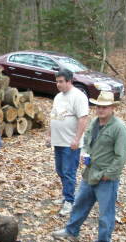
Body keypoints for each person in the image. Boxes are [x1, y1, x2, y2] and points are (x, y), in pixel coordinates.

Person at [51, 91, 126, 242]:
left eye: (104, 107)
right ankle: (71, 231)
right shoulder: (94, 123)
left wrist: (109, 174)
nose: (100, 110)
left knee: (105, 212)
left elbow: (121, 156)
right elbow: (86, 142)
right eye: (99, 106)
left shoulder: (119, 128)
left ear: (113, 108)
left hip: (106, 177)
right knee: (80, 203)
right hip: (90, 173)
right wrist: (84, 153)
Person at [46, 68, 89, 216]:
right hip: (58, 141)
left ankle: (70, 201)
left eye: (61, 81)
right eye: (57, 81)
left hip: (70, 143)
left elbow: (83, 119)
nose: (58, 84)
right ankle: (66, 196)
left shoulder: (78, 97)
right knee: (60, 170)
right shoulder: (58, 97)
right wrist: (49, 135)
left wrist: (77, 139)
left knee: (69, 172)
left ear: (69, 81)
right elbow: (54, 117)